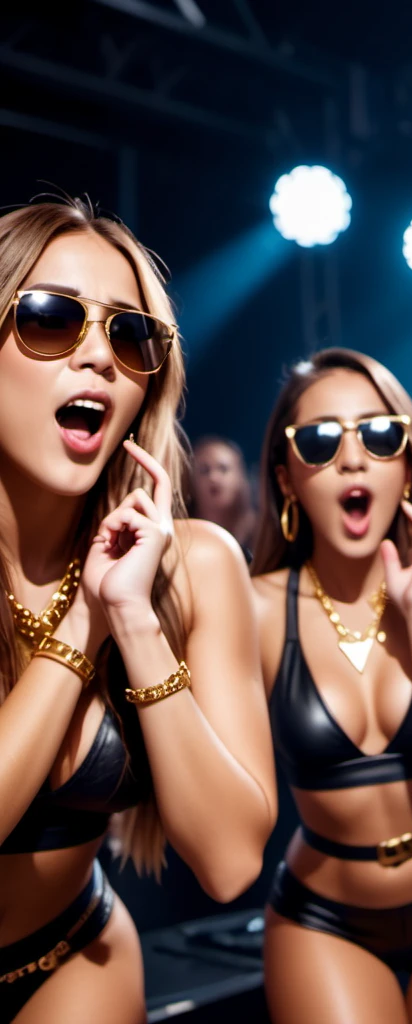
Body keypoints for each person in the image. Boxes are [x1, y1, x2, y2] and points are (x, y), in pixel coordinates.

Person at [0, 198, 276, 1021]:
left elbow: (229, 864)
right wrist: (81, 626)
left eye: (130, 336)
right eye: (51, 318)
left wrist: (133, 619)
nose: (98, 357)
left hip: (72, 959)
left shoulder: (193, 568)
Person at [250, 349, 412, 1023]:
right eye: (319, 439)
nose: (353, 457)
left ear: (405, 464)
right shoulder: (252, 608)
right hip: (323, 916)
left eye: (378, 433)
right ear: (287, 479)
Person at [187, 435, 256, 552]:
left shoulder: (262, 533)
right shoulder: (184, 536)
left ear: (240, 476)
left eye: (223, 469)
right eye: (204, 470)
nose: (213, 478)